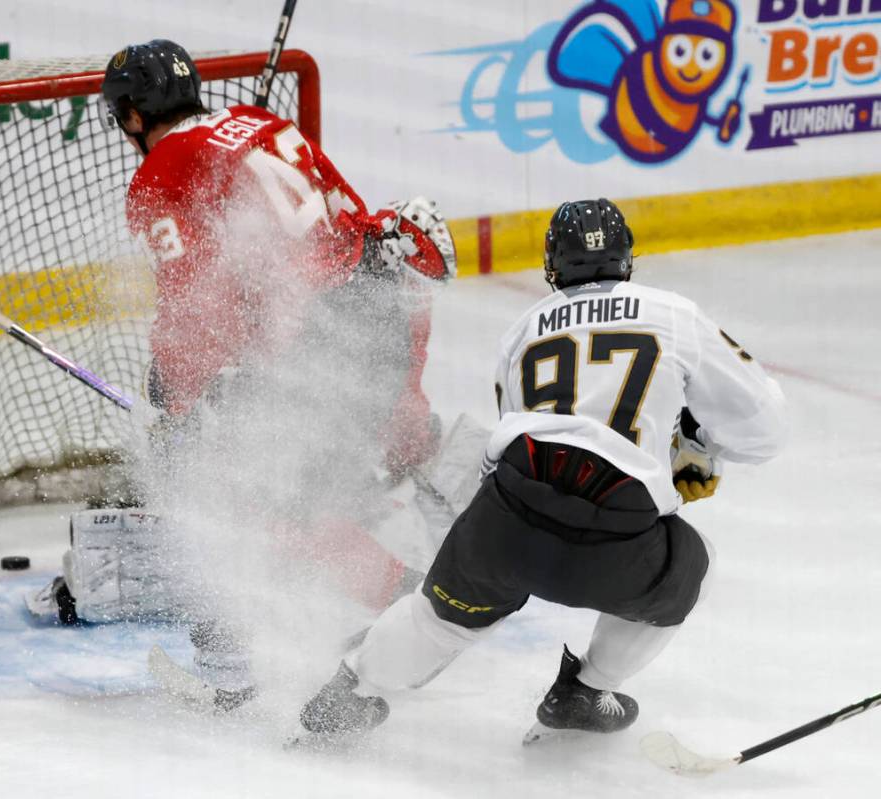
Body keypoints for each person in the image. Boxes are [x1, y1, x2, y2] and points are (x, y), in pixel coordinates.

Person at [28, 40, 456, 708]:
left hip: (319, 338)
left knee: (227, 488)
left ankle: (231, 664)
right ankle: (417, 611)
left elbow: (193, 295)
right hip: (377, 315)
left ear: (133, 115)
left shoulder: (163, 170)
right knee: (308, 494)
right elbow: (354, 222)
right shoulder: (267, 125)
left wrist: (178, 392)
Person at [295, 198, 787, 744]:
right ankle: (583, 690)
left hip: (507, 517)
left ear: (552, 266)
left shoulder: (522, 330)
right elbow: (765, 428)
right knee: (697, 564)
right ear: (627, 260)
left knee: (438, 618)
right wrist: (699, 443)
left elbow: (525, 435)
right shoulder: (673, 314)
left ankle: (346, 694)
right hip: (618, 540)